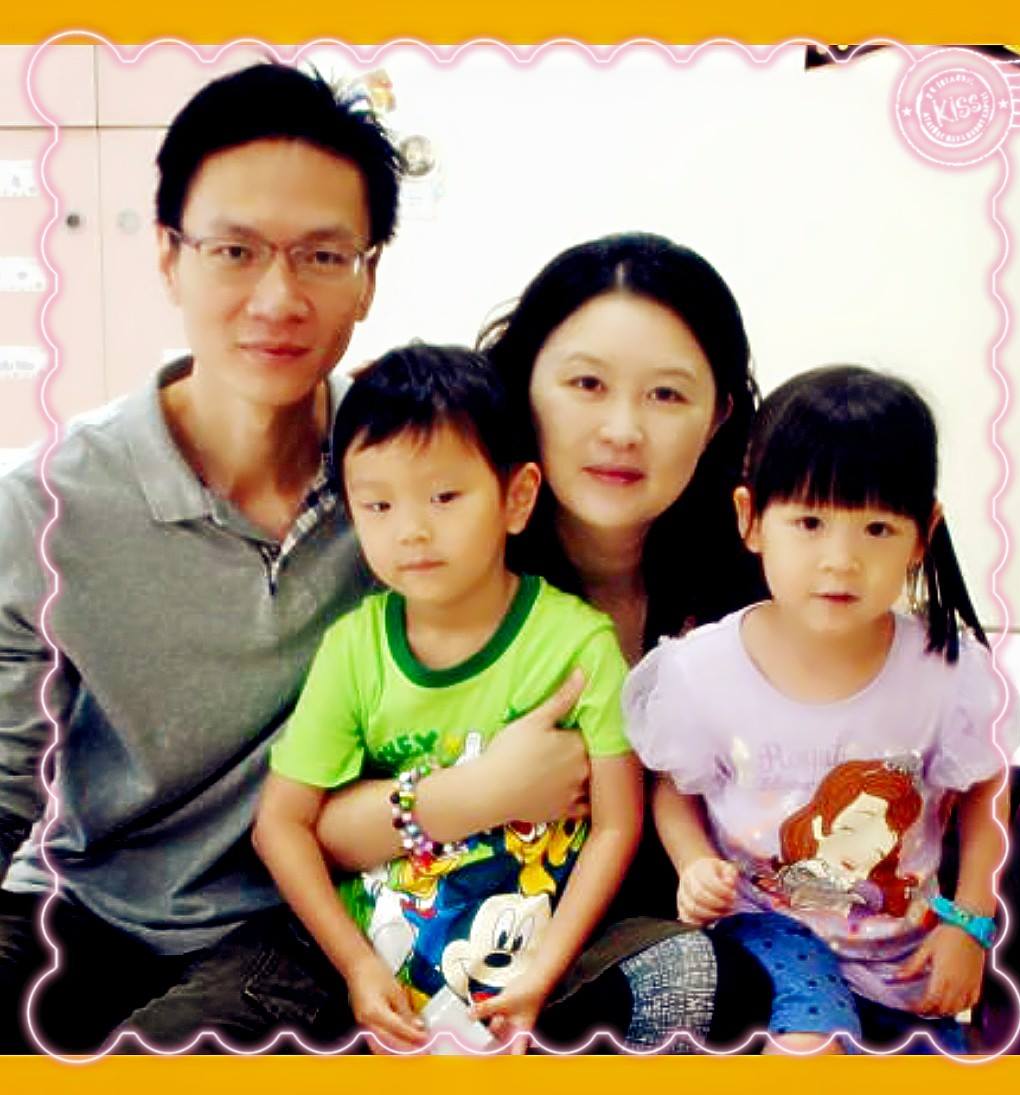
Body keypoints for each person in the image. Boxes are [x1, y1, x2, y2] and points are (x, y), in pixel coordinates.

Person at [0, 62, 590, 1055]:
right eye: (234, 250)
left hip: (291, 922)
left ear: (368, 276)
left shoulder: (412, 484)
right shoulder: (49, 504)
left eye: (322, 255)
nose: (276, 298)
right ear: (168, 257)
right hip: (81, 899)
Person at [315, 233, 772, 1052]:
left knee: (713, 983)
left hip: (621, 951)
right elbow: (322, 821)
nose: (621, 429)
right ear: (523, 384)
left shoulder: (759, 591)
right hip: (423, 929)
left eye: (667, 394)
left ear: (717, 418)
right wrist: (480, 790)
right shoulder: (442, 557)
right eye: (586, 384)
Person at [254, 343, 642, 1054]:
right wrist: (356, 966)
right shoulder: (354, 649)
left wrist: (544, 972)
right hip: (379, 968)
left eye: (443, 497)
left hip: (526, 966)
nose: (411, 530)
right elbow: (280, 825)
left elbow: (618, 825)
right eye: (378, 504)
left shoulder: (578, 644)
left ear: (516, 498)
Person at [624, 365, 1020, 1054]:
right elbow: (673, 788)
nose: (840, 560)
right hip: (766, 929)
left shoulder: (945, 670)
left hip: (907, 952)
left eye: (876, 527)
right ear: (750, 518)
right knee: (808, 1046)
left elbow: (987, 791)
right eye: (809, 522)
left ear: (922, 534)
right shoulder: (701, 670)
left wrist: (970, 924)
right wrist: (693, 864)